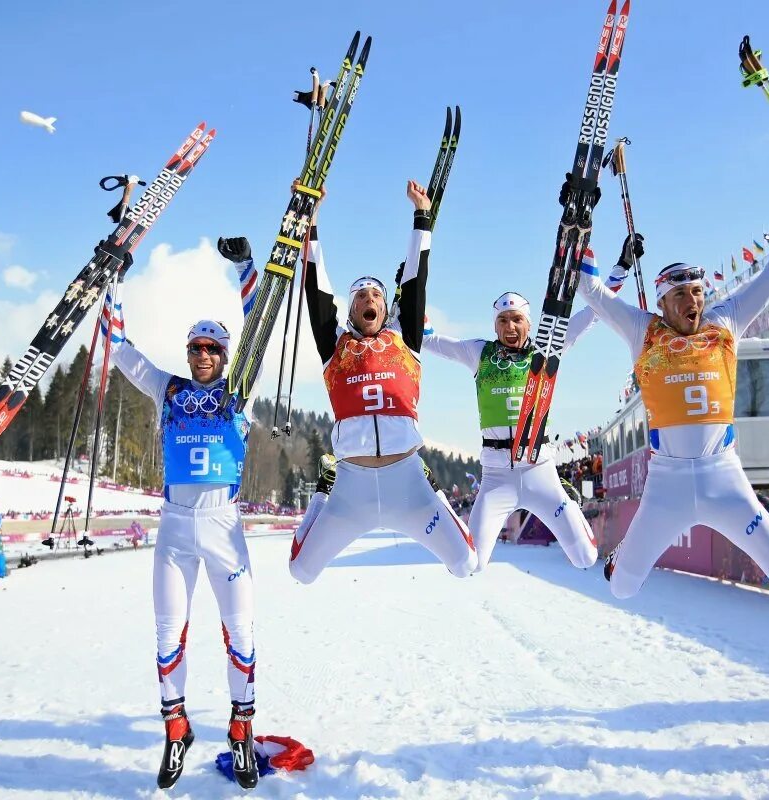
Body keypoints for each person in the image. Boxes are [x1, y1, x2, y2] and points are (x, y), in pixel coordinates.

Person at [578, 169, 769, 599]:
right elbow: (591, 290)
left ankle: (767, 514)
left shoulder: (725, 322)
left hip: (723, 477)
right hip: (665, 484)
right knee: (622, 589)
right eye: (683, 295)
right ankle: (625, 555)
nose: (695, 301)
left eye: (699, 292)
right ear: (663, 301)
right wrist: (582, 222)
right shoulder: (642, 330)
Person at [109, 251, 260, 789]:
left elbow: (262, 315)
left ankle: (241, 732)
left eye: (211, 348)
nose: (201, 355)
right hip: (174, 527)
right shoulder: (166, 387)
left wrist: (245, 268)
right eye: (194, 347)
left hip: (223, 526)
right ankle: (177, 729)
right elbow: (118, 347)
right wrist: (116, 278)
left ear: (223, 353)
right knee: (168, 634)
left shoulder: (238, 388)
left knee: (240, 633)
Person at [287, 179, 477, 584]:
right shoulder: (333, 345)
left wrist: (421, 216)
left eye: (375, 295)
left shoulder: (403, 338)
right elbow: (315, 286)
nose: (369, 300)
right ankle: (323, 490)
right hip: (349, 485)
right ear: (350, 311)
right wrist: (311, 219)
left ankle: (437, 491)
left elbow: (415, 282)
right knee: (301, 571)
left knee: (465, 565)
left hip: (406, 480)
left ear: (385, 307)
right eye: (360, 297)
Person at [418, 265, 630, 572]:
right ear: (495, 326)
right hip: (496, 478)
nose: (510, 326)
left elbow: (593, 313)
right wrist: (411, 311)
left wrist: (616, 275)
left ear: (528, 324)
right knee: (471, 565)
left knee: (585, 559)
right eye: (503, 321)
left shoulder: (545, 351)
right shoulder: (480, 353)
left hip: (539, 471)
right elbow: (430, 340)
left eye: (517, 319)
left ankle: (569, 498)